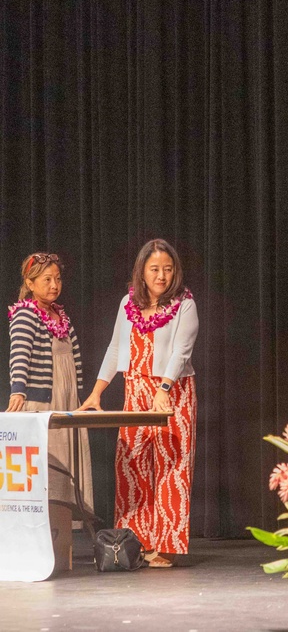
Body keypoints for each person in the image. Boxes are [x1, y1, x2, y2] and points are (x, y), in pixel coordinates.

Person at [79, 239, 199, 568]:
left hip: (173, 393)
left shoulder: (184, 304)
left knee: (169, 469)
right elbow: (116, 348)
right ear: (142, 272)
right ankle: (134, 544)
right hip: (136, 390)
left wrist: (164, 388)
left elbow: (181, 351)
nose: (161, 275)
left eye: (167, 269)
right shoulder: (128, 303)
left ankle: (162, 546)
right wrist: (97, 391)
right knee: (131, 466)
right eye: (154, 269)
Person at [7, 252, 95, 549]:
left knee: (69, 460)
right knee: (48, 466)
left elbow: (75, 359)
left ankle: (62, 535)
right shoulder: (25, 314)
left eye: (57, 278)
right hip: (44, 399)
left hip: (67, 398)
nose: (54, 284)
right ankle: (39, 538)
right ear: (30, 283)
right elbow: (20, 354)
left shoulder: (62, 316)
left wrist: (80, 396)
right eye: (47, 279)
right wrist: (18, 389)